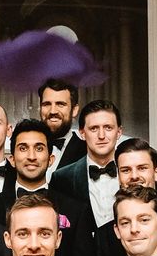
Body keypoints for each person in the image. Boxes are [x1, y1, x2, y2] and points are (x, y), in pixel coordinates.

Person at [4, 118, 96, 256]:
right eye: (23, 148)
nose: (31, 156)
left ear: (51, 159)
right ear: (12, 159)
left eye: (39, 148)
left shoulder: (76, 210)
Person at [49, 99, 123, 233]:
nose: (101, 136)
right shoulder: (62, 178)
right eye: (94, 128)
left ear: (119, 132)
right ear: (82, 133)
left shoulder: (135, 172)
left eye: (108, 128)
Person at [38, 78, 86, 178]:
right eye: (47, 104)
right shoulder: (24, 148)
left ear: (74, 110)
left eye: (60, 104)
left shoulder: (87, 152)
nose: (53, 111)